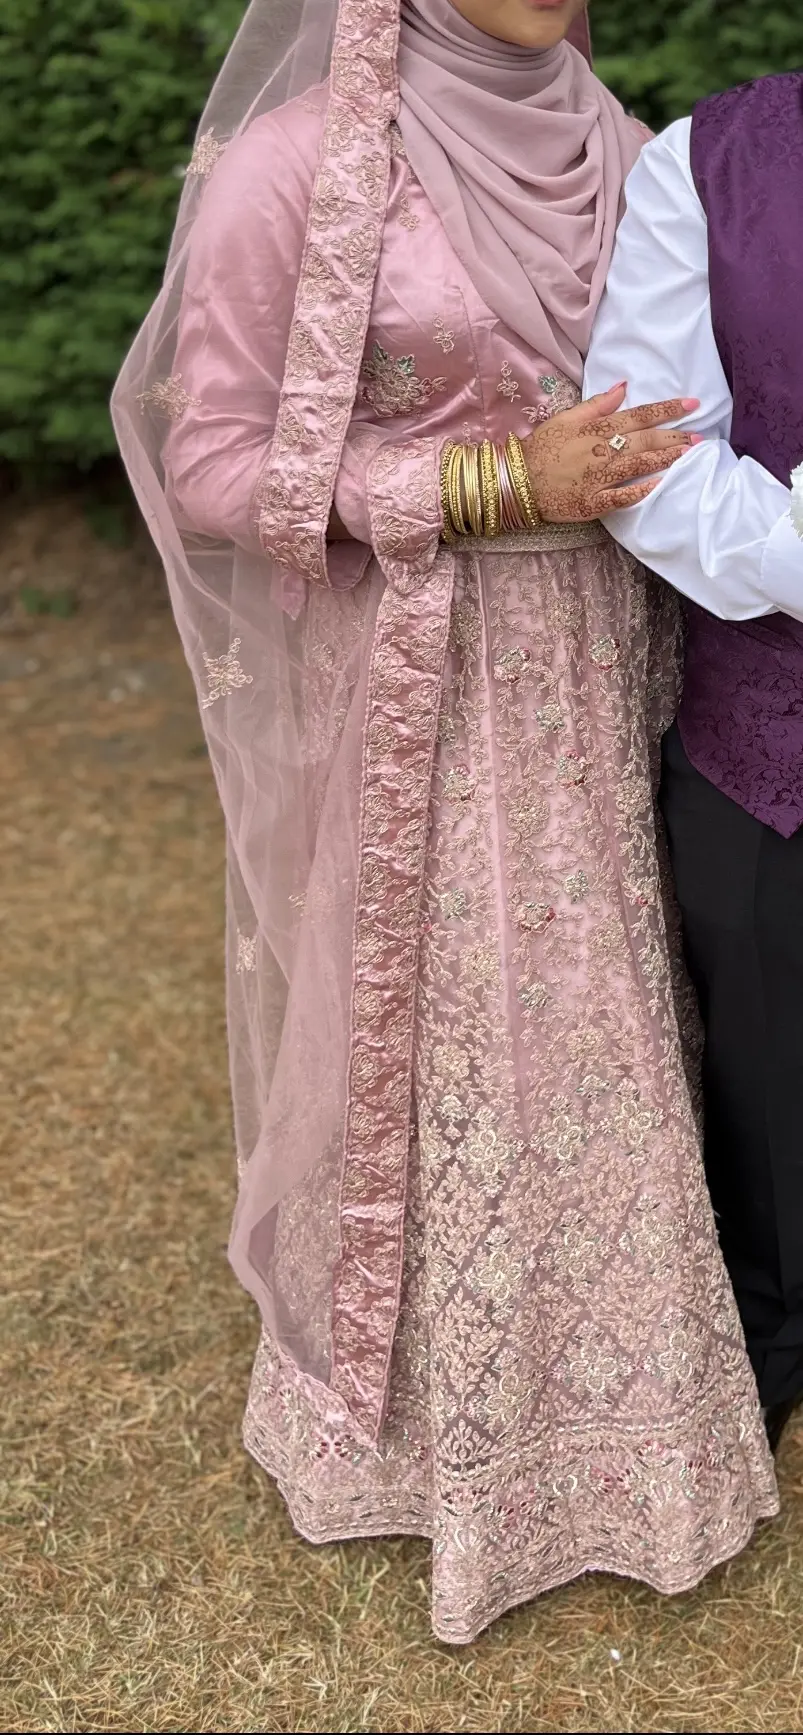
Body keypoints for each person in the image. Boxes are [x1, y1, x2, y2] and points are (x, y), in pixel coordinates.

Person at [113, 0, 776, 1644]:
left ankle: (639, 1426)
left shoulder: (625, 148)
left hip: (625, 660)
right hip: (435, 677)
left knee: (627, 1031)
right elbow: (205, 458)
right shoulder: (300, 165)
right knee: (471, 1041)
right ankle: (452, 1443)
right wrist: (484, 483)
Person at [585, 71, 803, 1459]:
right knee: (771, 1075)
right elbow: (653, 459)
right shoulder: (702, 163)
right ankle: (775, 1328)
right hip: (774, 733)